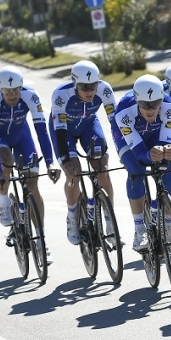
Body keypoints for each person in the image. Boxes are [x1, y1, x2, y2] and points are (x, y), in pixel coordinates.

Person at [0, 66, 61, 262]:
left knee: (33, 185)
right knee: (7, 161)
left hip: (21, 137)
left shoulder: (31, 97)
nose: (12, 95)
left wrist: (51, 163)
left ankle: (40, 239)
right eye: (7, 92)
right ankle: (3, 199)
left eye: (16, 90)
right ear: (0, 89)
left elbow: (42, 131)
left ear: (21, 87)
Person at [50, 60, 118, 246]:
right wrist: (65, 161)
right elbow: (60, 131)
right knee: (75, 173)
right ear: (74, 83)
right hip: (65, 132)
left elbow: (116, 123)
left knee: (103, 169)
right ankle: (72, 215)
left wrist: (124, 150)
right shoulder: (61, 95)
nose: (90, 91)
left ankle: (110, 222)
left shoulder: (105, 89)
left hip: (89, 125)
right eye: (84, 87)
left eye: (93, 86)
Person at [110, 74, 171, 252]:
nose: (150, 109)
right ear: (136, 100)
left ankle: (169, 224)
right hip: (127, 139)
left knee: (170, 168)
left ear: (161, 99)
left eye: (155, 104)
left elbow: (166, 144)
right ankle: (139, 228)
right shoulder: (124, 111)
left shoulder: (170, 107)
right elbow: (140, 154)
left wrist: (168, 151)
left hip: (154, 135)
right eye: (144, 105)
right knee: (136, 170)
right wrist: (150, 155)